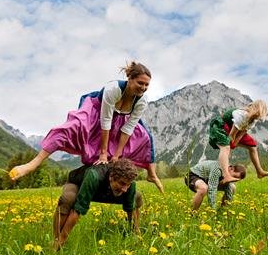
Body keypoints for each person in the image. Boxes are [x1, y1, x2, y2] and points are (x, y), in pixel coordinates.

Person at [10, 61, 164, 193]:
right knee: (72, 128)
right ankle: (32, 164)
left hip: (120, 121)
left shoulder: (142, 101)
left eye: (147, 85)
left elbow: (128, 128)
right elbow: (105, 120)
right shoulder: (113, 89)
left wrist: (116, 156)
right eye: (140, 83)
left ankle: (152, 174)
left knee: (144, 137)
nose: (143, 88)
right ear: (130, 79)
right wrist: (103, 154)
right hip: (96, 111)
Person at [53, 158, 142, 249]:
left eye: (128, 184)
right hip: (79, 185)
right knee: (68, 198)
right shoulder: (94, 175)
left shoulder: (128, 183)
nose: (125, 189)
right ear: (111, 177)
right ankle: (57, 240)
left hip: (104, 191)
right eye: (122, 183)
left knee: (136, 196)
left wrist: (136, 233)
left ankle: (134, 231)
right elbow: (77, 210)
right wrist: (61, 239)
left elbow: (131, 209)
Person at [209, 100, 268, 184]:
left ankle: (260, 172)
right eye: (259, 114)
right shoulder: (242, 115)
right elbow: (232, 135)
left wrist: (235, 143)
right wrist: (231, 146)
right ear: (256, 110)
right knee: (226, 148)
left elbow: (241, 134)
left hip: (233, 129)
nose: (259, 117)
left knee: (253, 147)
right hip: (221, 126)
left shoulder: (253, 120)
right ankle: (226, 175)